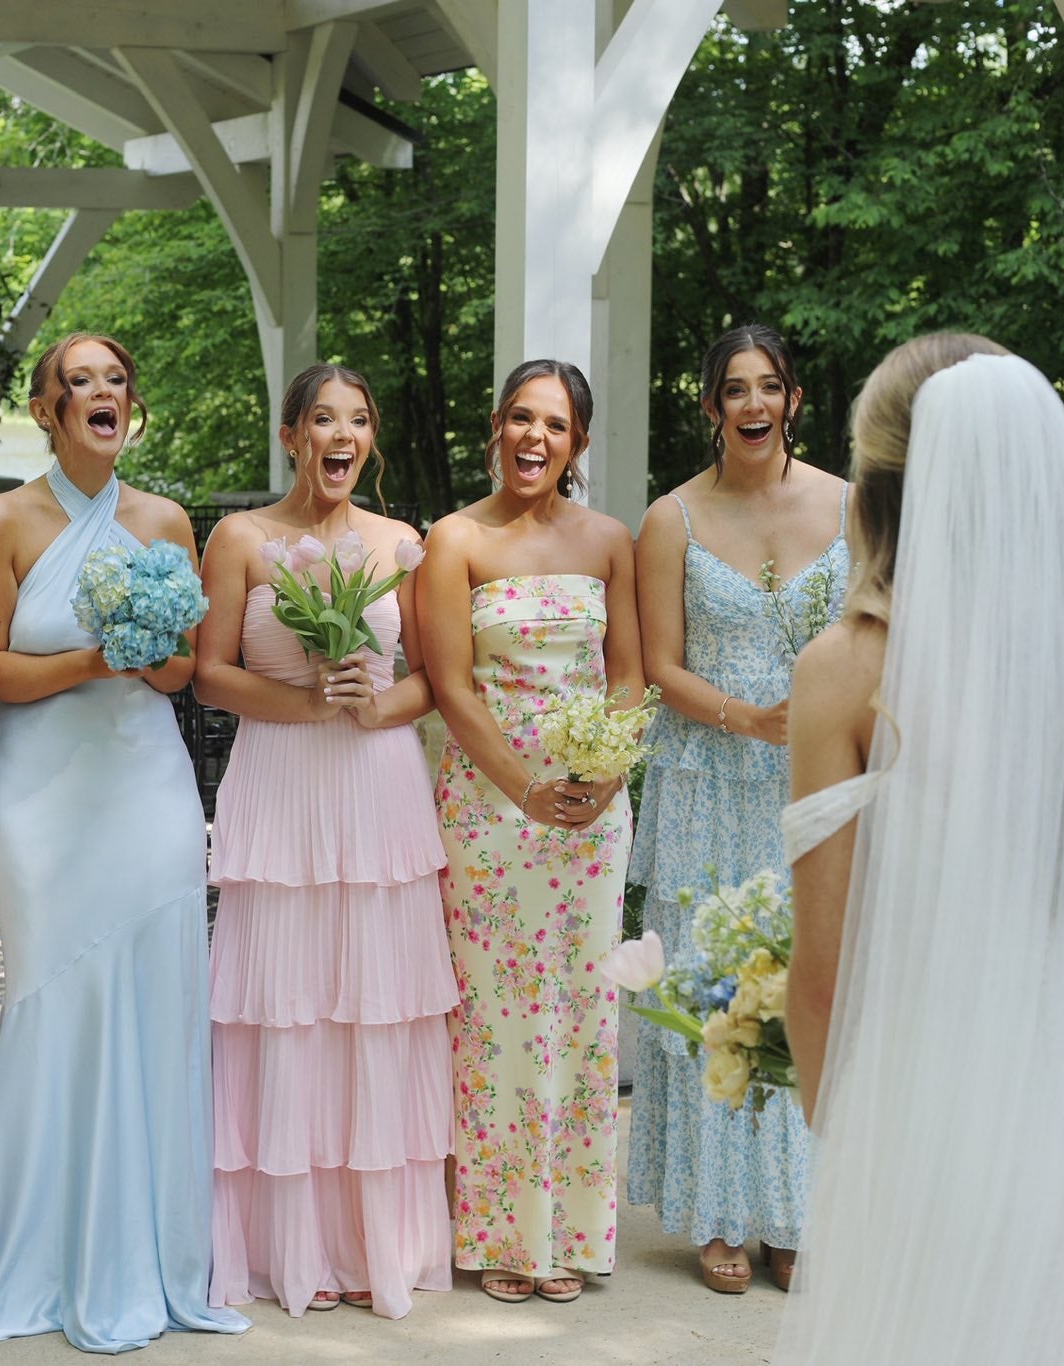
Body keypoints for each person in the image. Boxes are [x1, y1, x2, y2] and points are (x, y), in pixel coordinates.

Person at [775, 336, 1064, 1363]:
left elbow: (822, 983)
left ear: (879, 489)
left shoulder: (848, 671)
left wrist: (850, 1143)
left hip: (939, 1128)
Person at [0, 333, 249, 1353]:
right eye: (76, 380)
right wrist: (92, 653)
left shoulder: (164, 519)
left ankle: (149, 1253)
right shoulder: (1, 521)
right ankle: (35, 1252)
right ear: (45, 408)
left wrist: (147, 653)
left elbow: (179, 677)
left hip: (146, 788)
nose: (99, 393)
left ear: (132, 404)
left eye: (115, 379)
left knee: (153, 998)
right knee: (52, 994)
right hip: (40, 799)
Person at [196, 363, 454, 1320]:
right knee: (286, 1006)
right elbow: (210, 677)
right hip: (280, 788)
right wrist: (308, 698)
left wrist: (377, 700)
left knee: (372, 1008)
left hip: (377, 787)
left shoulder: (402, 544)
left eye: (357, 420)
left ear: (369, 440)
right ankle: (281, 1246)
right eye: (321, 420)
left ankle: (373, 1242)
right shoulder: (242, 538)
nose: (339, 437)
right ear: (291, 434)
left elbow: (429, 679)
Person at [417, 358, 645, 1306]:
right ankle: (504, 1233)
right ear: (495, 429)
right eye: (520, 419)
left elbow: (630, 675)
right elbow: (450, 686)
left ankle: (575, 1236)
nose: (533, 439)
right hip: (489, 811)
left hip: (591, 820)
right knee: (496, 1016)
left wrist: (602, 773)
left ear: (578, 445)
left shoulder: (608, 541)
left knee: (584, 1019)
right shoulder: (453, 539)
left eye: (553, 426)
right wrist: (523, 788)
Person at [626, 324, 842, 1293]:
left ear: (792, 400)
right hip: (707, 777)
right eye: (731, 389)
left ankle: (792, 1212)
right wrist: (744, 716)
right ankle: (718, 1215)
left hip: (813, 779)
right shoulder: (669, 518)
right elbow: (656, 664)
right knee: (714, 989)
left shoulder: (849, 506)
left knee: (805, 980)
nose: (751, 405)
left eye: (768, 387)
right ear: (708, 405)